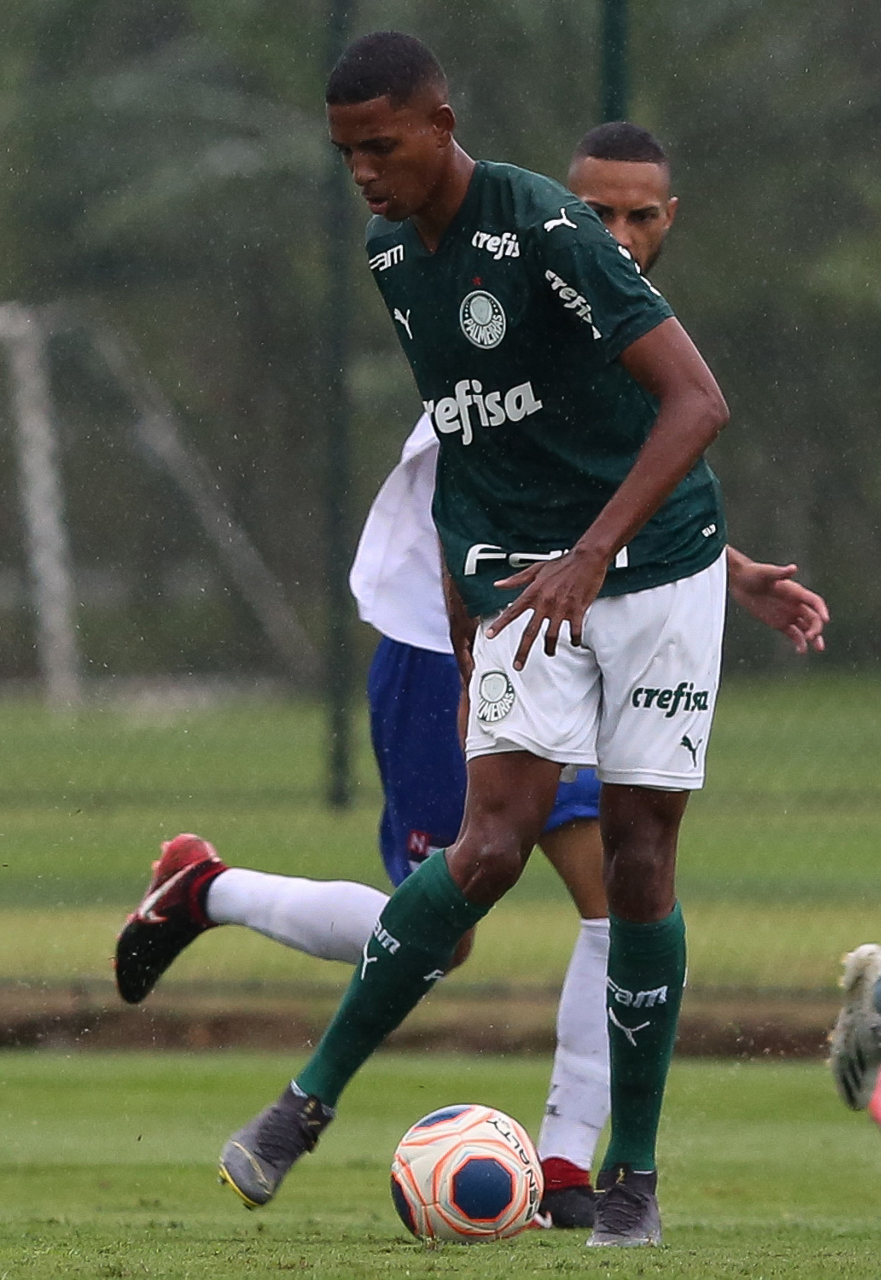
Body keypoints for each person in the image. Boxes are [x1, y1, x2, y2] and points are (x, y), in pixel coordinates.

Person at [114, 113, 828, 1233]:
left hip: (581, 591)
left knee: (619, 879)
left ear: (669, 221)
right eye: (596, 211)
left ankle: (579, 1171)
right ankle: (212, 894)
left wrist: (721, 569)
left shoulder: (610, 317)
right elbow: (506, 470)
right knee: (452, 915)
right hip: (438, 626)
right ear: (558, 205)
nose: (617, 234)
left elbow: (610, 467)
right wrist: (468, 623)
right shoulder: (481, 279)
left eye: (641, 216)